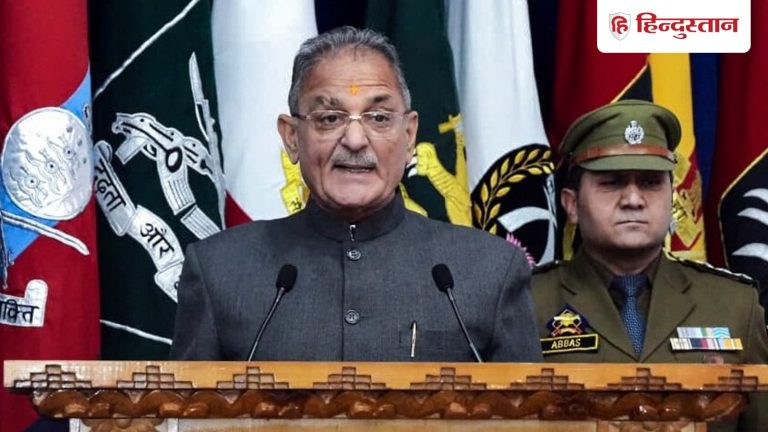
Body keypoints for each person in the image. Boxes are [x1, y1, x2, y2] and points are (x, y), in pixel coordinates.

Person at [170, 27, 541, 363]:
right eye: (329, 118)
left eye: (378, 118)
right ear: (292, 137)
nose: (354, 139)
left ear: (409, 136)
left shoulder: (488, 271)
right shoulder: (221, 270)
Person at [532, 100, 768, 431]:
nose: (633, 199)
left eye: (650, 182)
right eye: (611, 182)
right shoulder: (529, 302)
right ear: (571, 205)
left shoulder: (733, 305)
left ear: (672, 196)